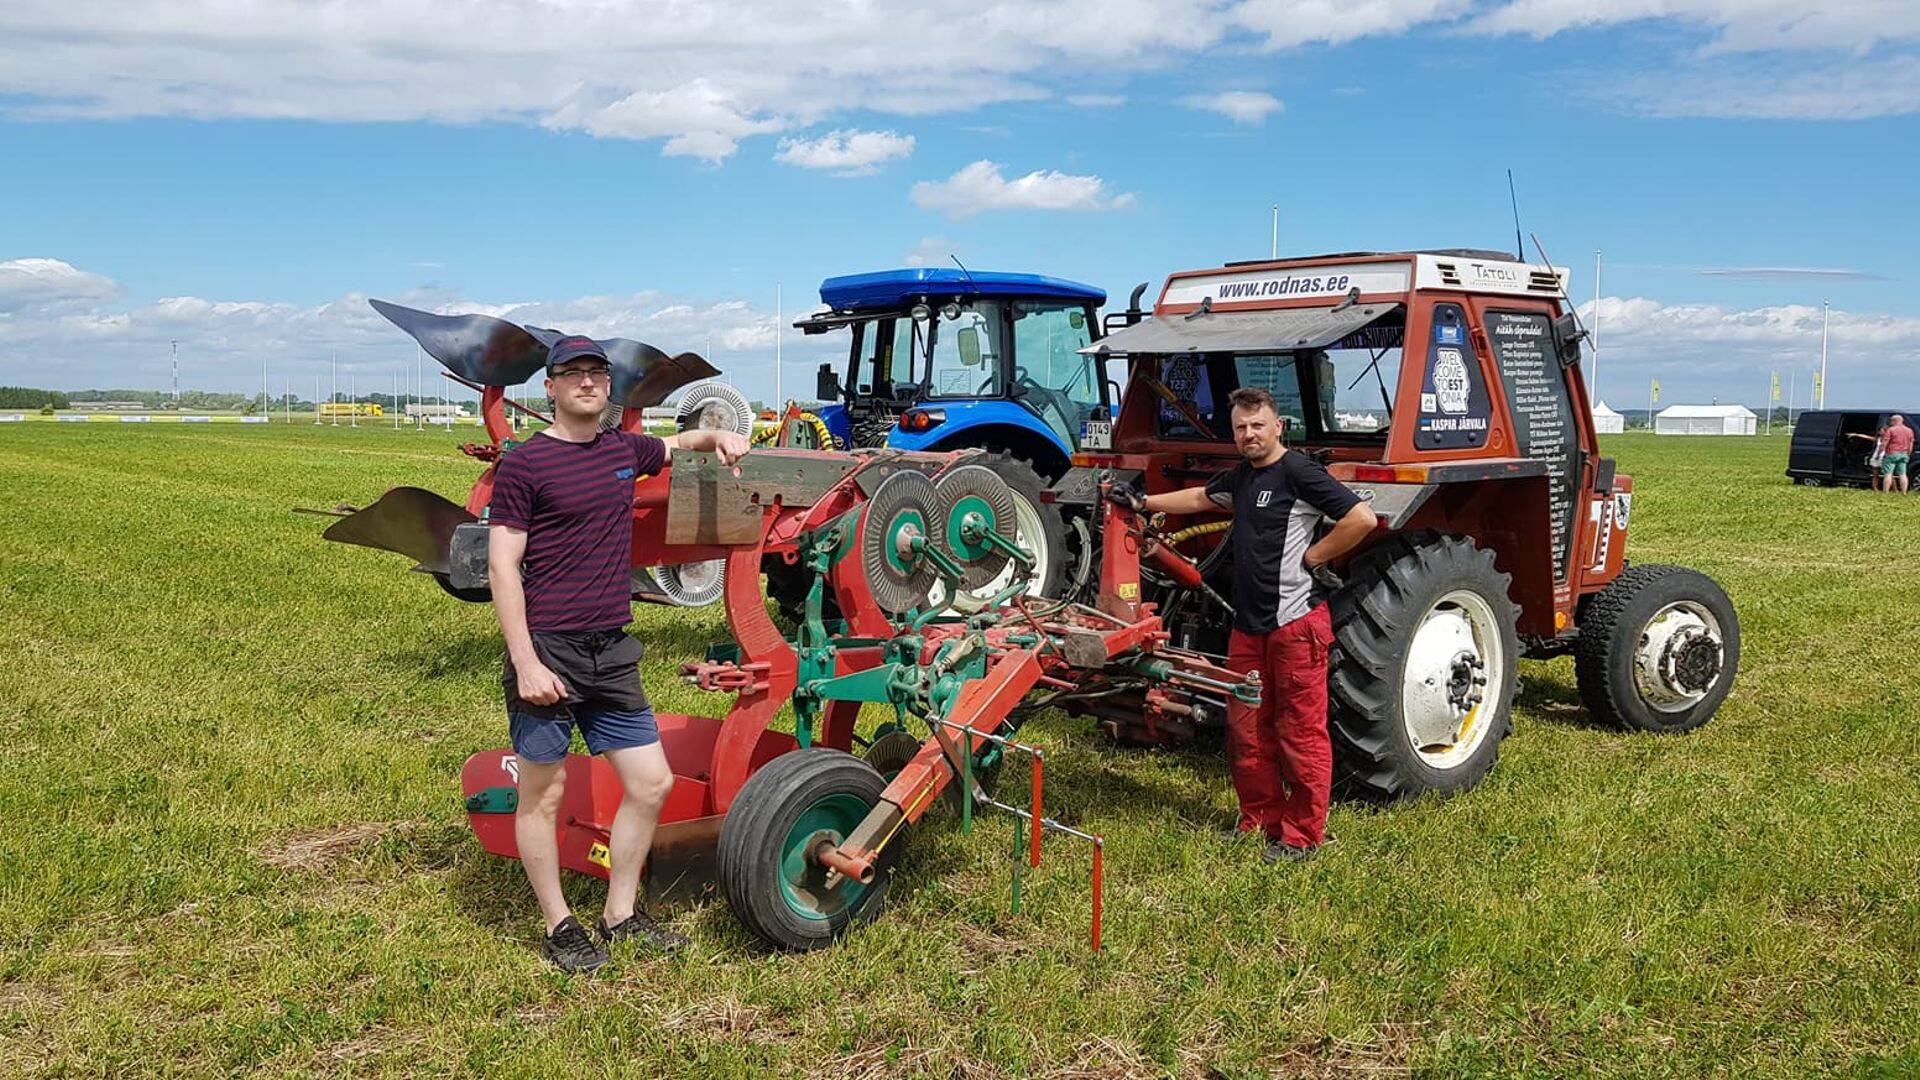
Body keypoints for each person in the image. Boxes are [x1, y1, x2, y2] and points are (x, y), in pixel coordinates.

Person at [488, 335, 751, 973]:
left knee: (651, 782)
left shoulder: (621, 449)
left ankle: (620, 915)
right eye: (571, 373)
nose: (586, 381)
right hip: (550, 650)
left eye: (596, 373)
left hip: (612, 652)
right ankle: (558, 925)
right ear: (548, 388)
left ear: (608, 388)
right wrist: (525, 660)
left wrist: (716, 438)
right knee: (542, 796)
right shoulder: (524, 464)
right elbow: (502, 564)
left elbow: (673, 444)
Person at [1135, 387, 1377, 863]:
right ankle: (1259, 819)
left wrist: (1315, 555)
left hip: (1296, 623)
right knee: (1247, 728)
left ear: (1277, 426)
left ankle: (1302, 835)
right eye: (1241, 427)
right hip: (1248, 625)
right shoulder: (1243, 477)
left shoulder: (1300, 472)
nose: (1249, 434)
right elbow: (1202, 497)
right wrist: (1145, 502)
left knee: (1300, 731)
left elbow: (1361, 518)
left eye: (1257, 425)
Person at [1880, 414, 1913, 494]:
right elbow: (1911, 443)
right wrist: (1908, 453)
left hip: (1892, 453)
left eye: (1891, 421)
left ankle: (1885, 492)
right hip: (1904, 454)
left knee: (1888, 473)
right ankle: (1904, 492)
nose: (1890, 422)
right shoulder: (1909, 430)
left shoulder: (1891, 430)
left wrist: (1882, 450)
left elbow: (1885, 441)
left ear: (1894, 421)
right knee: (1903, 474)